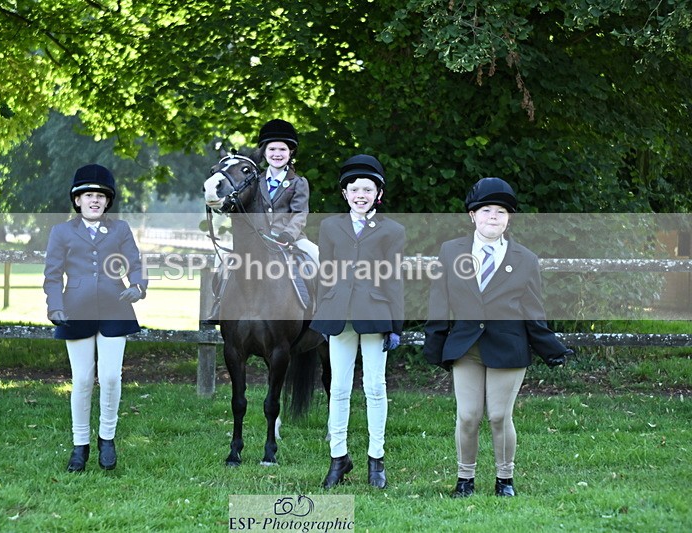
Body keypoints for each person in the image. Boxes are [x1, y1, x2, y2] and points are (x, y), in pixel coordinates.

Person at [422, 177, 573, 497]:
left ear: (509, 218)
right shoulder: (451, 251)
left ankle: (505, 479)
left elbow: (533, 309)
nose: (493, 216)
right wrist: (435, 343)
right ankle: (465, 479)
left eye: (501, 211)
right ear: (472, 216)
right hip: (466, 346)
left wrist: (549, 347)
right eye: (486, 210)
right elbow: (439, 300)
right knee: (467, 416)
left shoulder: (525, 259)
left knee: (499, 415)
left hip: (508, 346)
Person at [43, 164, 147, 472]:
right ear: (77, 200)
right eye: (88, 195)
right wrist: (55, 305)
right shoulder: (61, 231)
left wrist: (137, 286)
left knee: (112, 377)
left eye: (100, 196)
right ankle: (80, 446)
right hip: (75, 309)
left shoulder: (120, 229)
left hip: (115, 307)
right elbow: (52, 274)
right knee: (84, 380)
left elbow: (135, 263)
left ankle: (107, 438)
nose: (94, 201)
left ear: (107, 201)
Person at [310, 154, 406, 489]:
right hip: (339, 314)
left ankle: (376, 459)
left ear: (377, 193)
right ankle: (338, 457)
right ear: (345, 193)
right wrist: (323, 313)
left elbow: (393, 279)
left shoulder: (392, 230)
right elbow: (325, 272)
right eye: (355, 189)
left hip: (376, 315)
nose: (360, 194)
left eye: (367, 189)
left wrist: (395, 325)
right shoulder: (330, 226)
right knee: (338, 387)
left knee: (375, 387)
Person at [202, 118, 318, 325]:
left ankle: (320, 312)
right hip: (256, 238)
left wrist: (287, 235)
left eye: (282, 149)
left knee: (317, 258)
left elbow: (300, 213)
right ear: (264, 153)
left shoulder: (298, 182)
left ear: (291, 153)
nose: (277, 154)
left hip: (290, 239)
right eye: (272, 149)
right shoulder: (253, 180)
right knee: (223, 262)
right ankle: (219, 305)